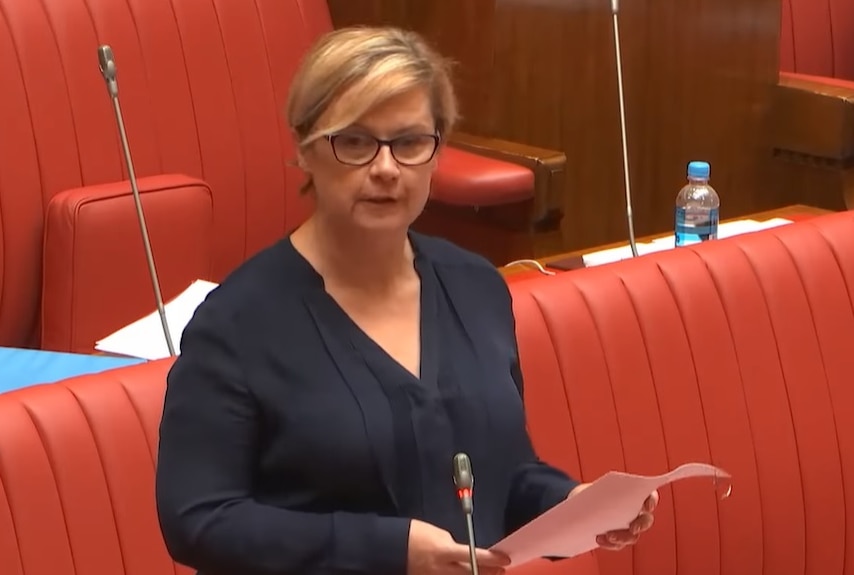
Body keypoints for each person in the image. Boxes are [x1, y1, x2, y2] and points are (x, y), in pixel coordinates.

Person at [155, 25, 658, 575]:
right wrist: (385, 551)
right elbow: (199, 521)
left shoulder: (476, 288)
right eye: (354, 141)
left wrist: (569, 504)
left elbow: (502, 476)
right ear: (306, 151)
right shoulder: (237, 324)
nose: (386, 168)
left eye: (410, 142)